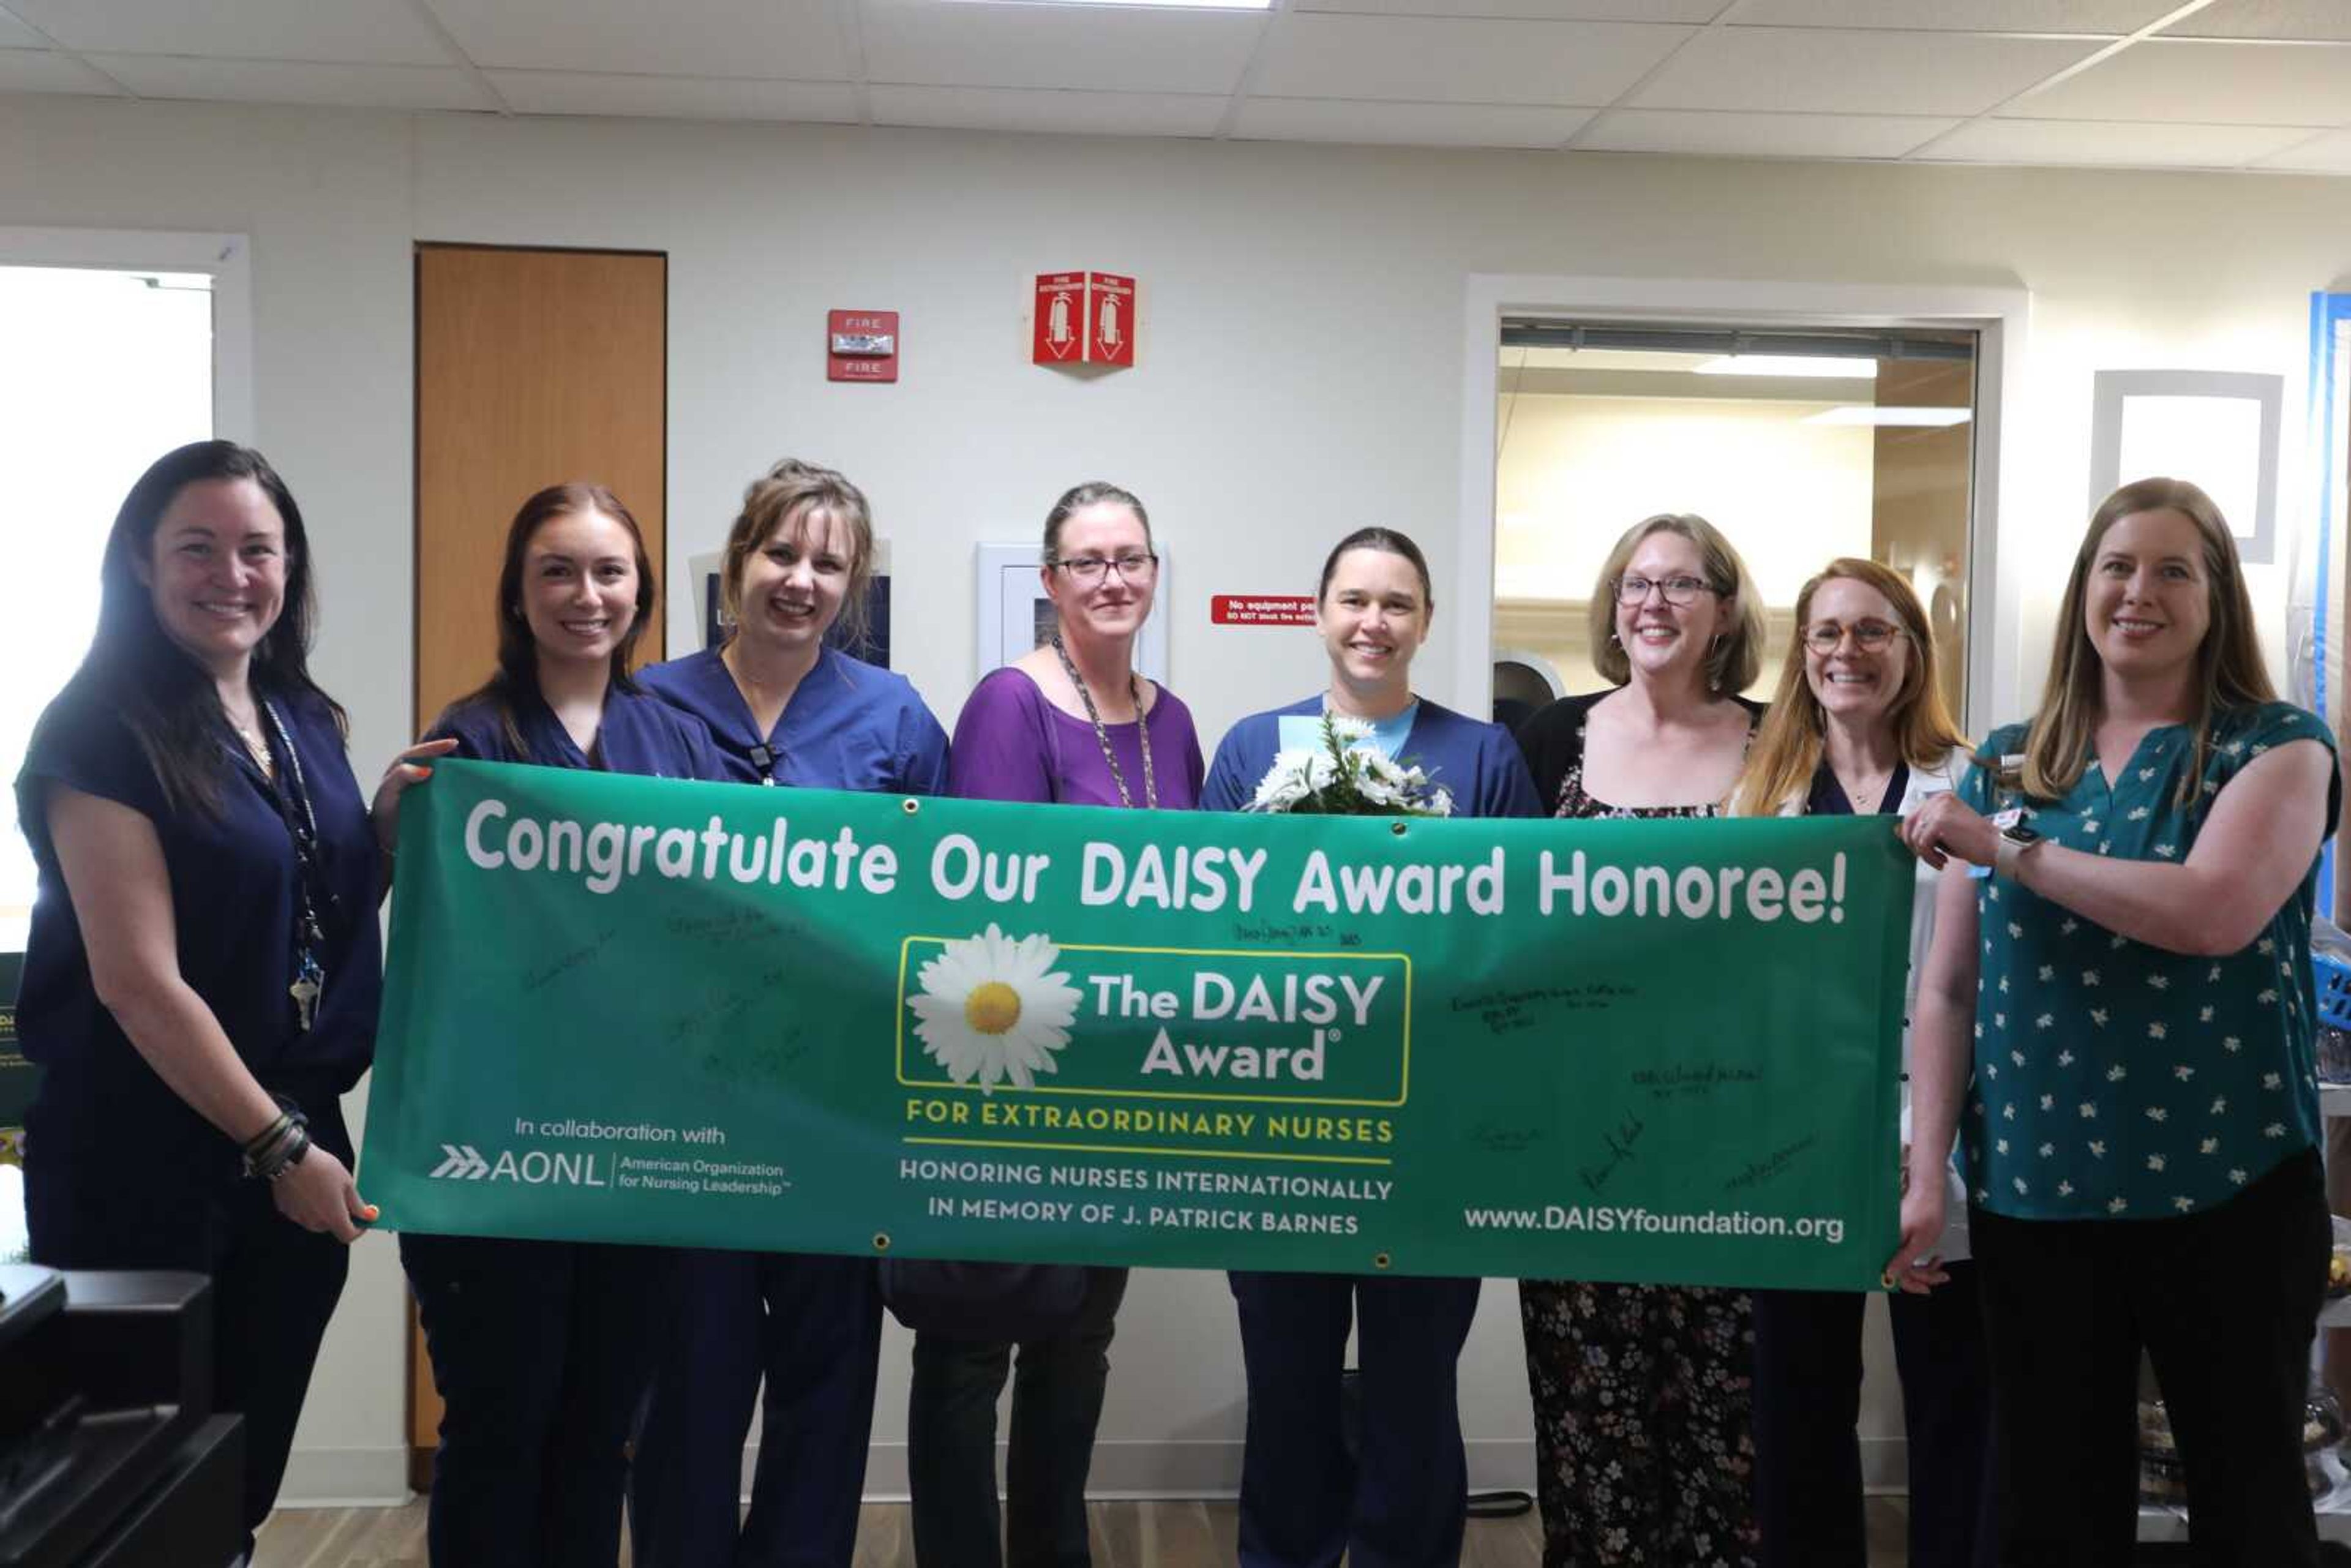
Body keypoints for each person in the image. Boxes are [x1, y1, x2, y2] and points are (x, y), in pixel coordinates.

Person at [1892, 478, 2340, 1566]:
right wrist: (1922, 1175)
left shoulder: (2278, 745)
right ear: (2083, 590)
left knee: (2249, 1501)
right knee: (2051, 1509)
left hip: (2228, 1187)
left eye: (2174, 569)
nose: (2140, 591)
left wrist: (2010, 851)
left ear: (2216, 596)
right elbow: (1949, 989)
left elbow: (2212, 912)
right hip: (2037, 1199)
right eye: (2117, 567)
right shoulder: (2007, 758)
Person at [12, 440, 413, 1556]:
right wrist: (280, 1149)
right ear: (141, 562)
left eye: (258, 549)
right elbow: (138, 983)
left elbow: (301, 907)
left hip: (293, 1145)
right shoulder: (97, 728)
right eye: (197, 547)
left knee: (235, 1482)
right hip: (147, 1158)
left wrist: (375, 833)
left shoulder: (299, 713)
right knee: (136, 1495)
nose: (231, 574)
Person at [375, 482, 721, 1567]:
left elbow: (728, 923)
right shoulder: (464, 747)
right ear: (518, 597)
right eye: (557, 572)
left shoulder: (682, 739)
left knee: (598, 1436)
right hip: (494, 1159)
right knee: (498, 1426)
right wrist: (389, 826)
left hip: (636, 1155)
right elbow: (413, 924)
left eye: (610, 572)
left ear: (642, 592)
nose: (587, 595)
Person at [630, 460, 948, 1568]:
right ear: (736, 561)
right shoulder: (650, 705)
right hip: (688, 1107)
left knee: (827, 1383)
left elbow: (937, 905)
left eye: (829, 563)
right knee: (688, 1381)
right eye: (781, 553)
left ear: (853, 584)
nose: (800, 580)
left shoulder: (895, 716)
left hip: (835, 1108)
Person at [1200, 526, 1537, 1567]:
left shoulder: (1482, 753)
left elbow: (1520, 928)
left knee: (1413, 1387)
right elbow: (1203, 921)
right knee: (1289, 1384)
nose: (1373, 622)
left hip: (1431, 1133)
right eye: (1354, 600)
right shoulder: (1254, 749)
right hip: (1284, 1122)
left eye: (1397, 604)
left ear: (1427, 622)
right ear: (1319, 612)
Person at [908, 481, 1205, 1568]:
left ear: (1154, 574)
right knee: (971, 1347)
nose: (1113, 578)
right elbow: (984, 908)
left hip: (1121, 1088)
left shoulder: (1172, 720)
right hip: (1012, 1081)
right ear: (1050, 582)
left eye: (1130, 557)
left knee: (1079, 1342)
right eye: (1088, 561)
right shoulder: (1009, 701)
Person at [1512, 511, 1768, 1568]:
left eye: (1680, 583)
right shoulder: (1549, 738)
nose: (1653, 602)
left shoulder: (1779, 734)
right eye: (1635, 583)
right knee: (1589, 1415)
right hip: (1580, 1136)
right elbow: (1498, 927)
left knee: (1732, 1427)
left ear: (1724, 609)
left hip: (1742, 1137)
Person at [1727, 558, 1991, 1568]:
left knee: (1954, 1399)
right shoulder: (1760, 793)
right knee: (1798, 1405)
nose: (1849, 651)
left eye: (1873, 631)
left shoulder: (1970, 782)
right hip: (1798, 1131)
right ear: (1803, 654)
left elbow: (1976, 974)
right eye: (1828, 632)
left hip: (1947, 1126)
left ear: (1912, 651)